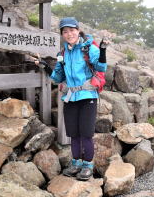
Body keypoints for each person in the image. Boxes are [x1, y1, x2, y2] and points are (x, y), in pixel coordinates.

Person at [35, 17, 108, 181]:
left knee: (86, 134)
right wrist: (45, 66)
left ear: (78, 30)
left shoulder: (88, 49)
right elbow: (58, 77)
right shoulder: (62, 53)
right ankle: (76, 163)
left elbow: (101, 66)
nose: (69, 34)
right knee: (73, 134)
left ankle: (88, 165)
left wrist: (102, 49)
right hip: (70, 97)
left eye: (72, 30)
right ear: (62, 34)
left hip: (88, 96)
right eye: (65, 31)